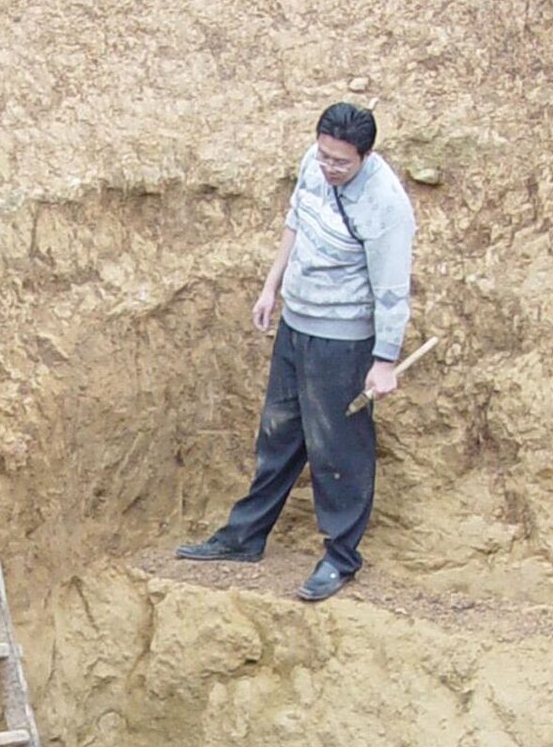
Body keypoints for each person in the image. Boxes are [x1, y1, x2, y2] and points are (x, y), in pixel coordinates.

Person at [177, 102, 414, 602]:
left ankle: (341, 557)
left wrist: (385, 359)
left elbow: (393, 287)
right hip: (296, 321)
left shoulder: (385, 204)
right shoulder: (315, 163)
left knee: (337, 449)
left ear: (365, 156)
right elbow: (296, 222)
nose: (329, 167)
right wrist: (271, 287)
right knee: (278, 432)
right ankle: (244, 536)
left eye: (340, 162)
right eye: (324, 155)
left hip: (343, 338)